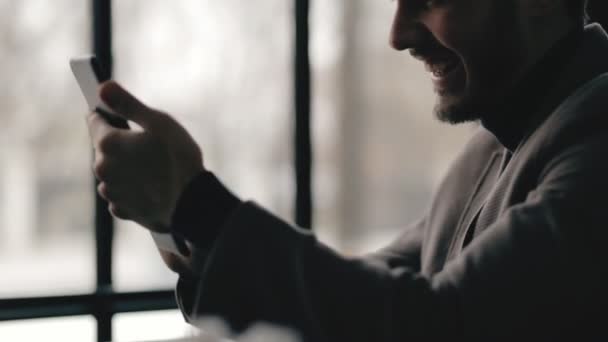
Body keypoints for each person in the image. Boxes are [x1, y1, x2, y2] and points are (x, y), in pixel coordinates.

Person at [87, 0, 608, 340]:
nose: (399, 34)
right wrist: (192, 229)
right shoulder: (493, 145)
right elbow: (373, 289)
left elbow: (443, 326)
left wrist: (197, 207)